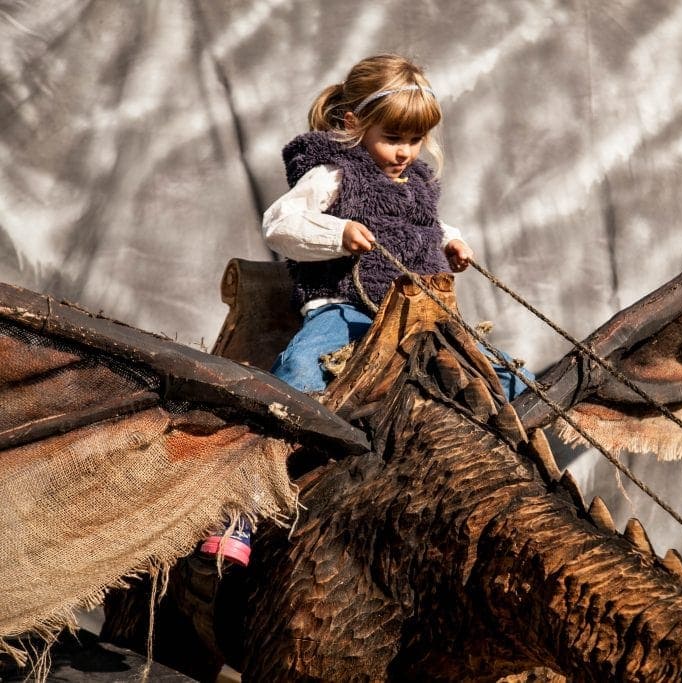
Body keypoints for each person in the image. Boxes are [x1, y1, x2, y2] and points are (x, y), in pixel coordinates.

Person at [201, 54, 532, 566]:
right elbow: (281, 224)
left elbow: (426, 229)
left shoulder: (418, 182)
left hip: (417, 317)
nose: (404, 152)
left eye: (414, 140)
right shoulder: (334, 174)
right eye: (393, 138)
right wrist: (338, 233)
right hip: (348, 311)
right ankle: (238, 510)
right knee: (296, 374)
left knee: (508, 379)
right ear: (354, 123)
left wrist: (453, 243)